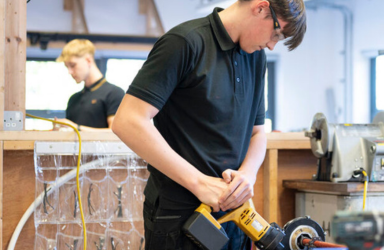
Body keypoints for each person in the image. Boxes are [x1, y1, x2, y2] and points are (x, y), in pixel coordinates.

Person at [111, 0, 306, 249]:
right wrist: (199, 183)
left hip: (236, 216)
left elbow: (257, 133)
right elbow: (128, 120)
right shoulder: (184, 42)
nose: (271, 45)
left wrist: (247, 175)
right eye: (276, 33)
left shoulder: (256, 58)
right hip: (180, 216)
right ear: (260, 7)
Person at [55, 39, 125, 131]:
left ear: (88, 60)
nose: (70, 72)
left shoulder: (114, 93)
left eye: (72, 65)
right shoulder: (73, 99)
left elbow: (114, 133)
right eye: (67, 67)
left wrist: (76, 128)